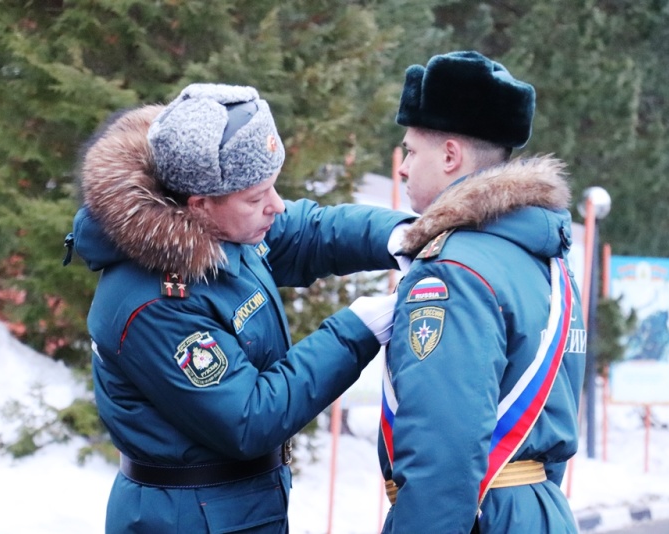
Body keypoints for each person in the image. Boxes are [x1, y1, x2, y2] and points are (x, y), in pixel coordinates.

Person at [66, 83, 412, 533]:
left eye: (272, 186)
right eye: (256, 197)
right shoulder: (153, 302)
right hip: (188, 520)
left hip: (235, 509)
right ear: (200, 204)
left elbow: (306, 232)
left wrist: (401, 235)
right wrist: (357, 330)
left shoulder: (224, 226)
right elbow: (250, 417)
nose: (276, 205)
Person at [377, 51, 587, 533]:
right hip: (535, 512)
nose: (404, 167)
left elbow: (443, 455)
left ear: (450, 155)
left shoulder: (452, 272)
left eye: (411, 151)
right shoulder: (546, 261)